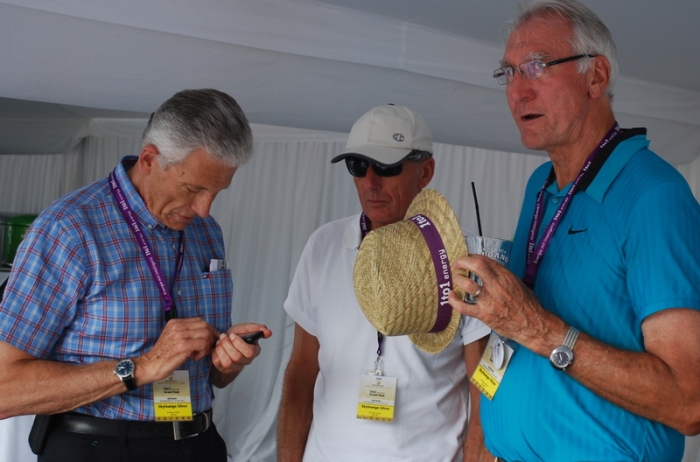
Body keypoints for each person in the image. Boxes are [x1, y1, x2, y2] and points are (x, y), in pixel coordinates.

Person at [450, 1, 700, 460]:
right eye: (508, 73)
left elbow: (690, 402)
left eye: (537, 67)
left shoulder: (654, 196)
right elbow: (513, 348)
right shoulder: (540, 185)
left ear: (596, 77)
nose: (518, 92)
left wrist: (541, 329)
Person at [0, 88, 272, 462]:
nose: (205, 210)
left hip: (199, 443)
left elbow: (210, 377)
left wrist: (228, 363)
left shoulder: (206, 233)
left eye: (217, 192)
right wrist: (141, 368)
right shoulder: (69, 230)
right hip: (102, 448)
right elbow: (5, 388)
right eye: (193, 188)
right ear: (149, 160)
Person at [277, 104, 491, 462]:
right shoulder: (324, 245)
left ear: (426, 172)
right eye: (358, 166)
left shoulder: (466, 257)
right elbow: (302, 369)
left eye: (387, 167)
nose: (370, 182)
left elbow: (483, 386)